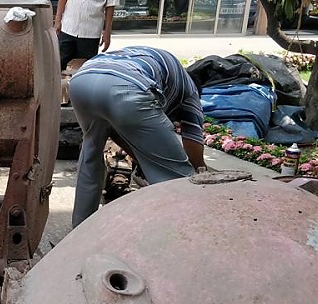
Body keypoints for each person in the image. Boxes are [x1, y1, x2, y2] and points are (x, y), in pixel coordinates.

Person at [69, 46, 207, 228]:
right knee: (178, 181)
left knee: (91, 154)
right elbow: (193, 140)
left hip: (82, 81)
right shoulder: (190, 91)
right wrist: (201, 174)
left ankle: (79, 233)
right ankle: (187, 234)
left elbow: (118, 133)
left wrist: (142, 157)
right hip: (128, 85)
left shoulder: (156, 63)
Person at [54, 0, 118, 70]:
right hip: (67, 27)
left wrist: (107, 31)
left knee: (85, 68)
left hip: (91, 33)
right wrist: (58, 20)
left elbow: (110, 5)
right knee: (59, 65)